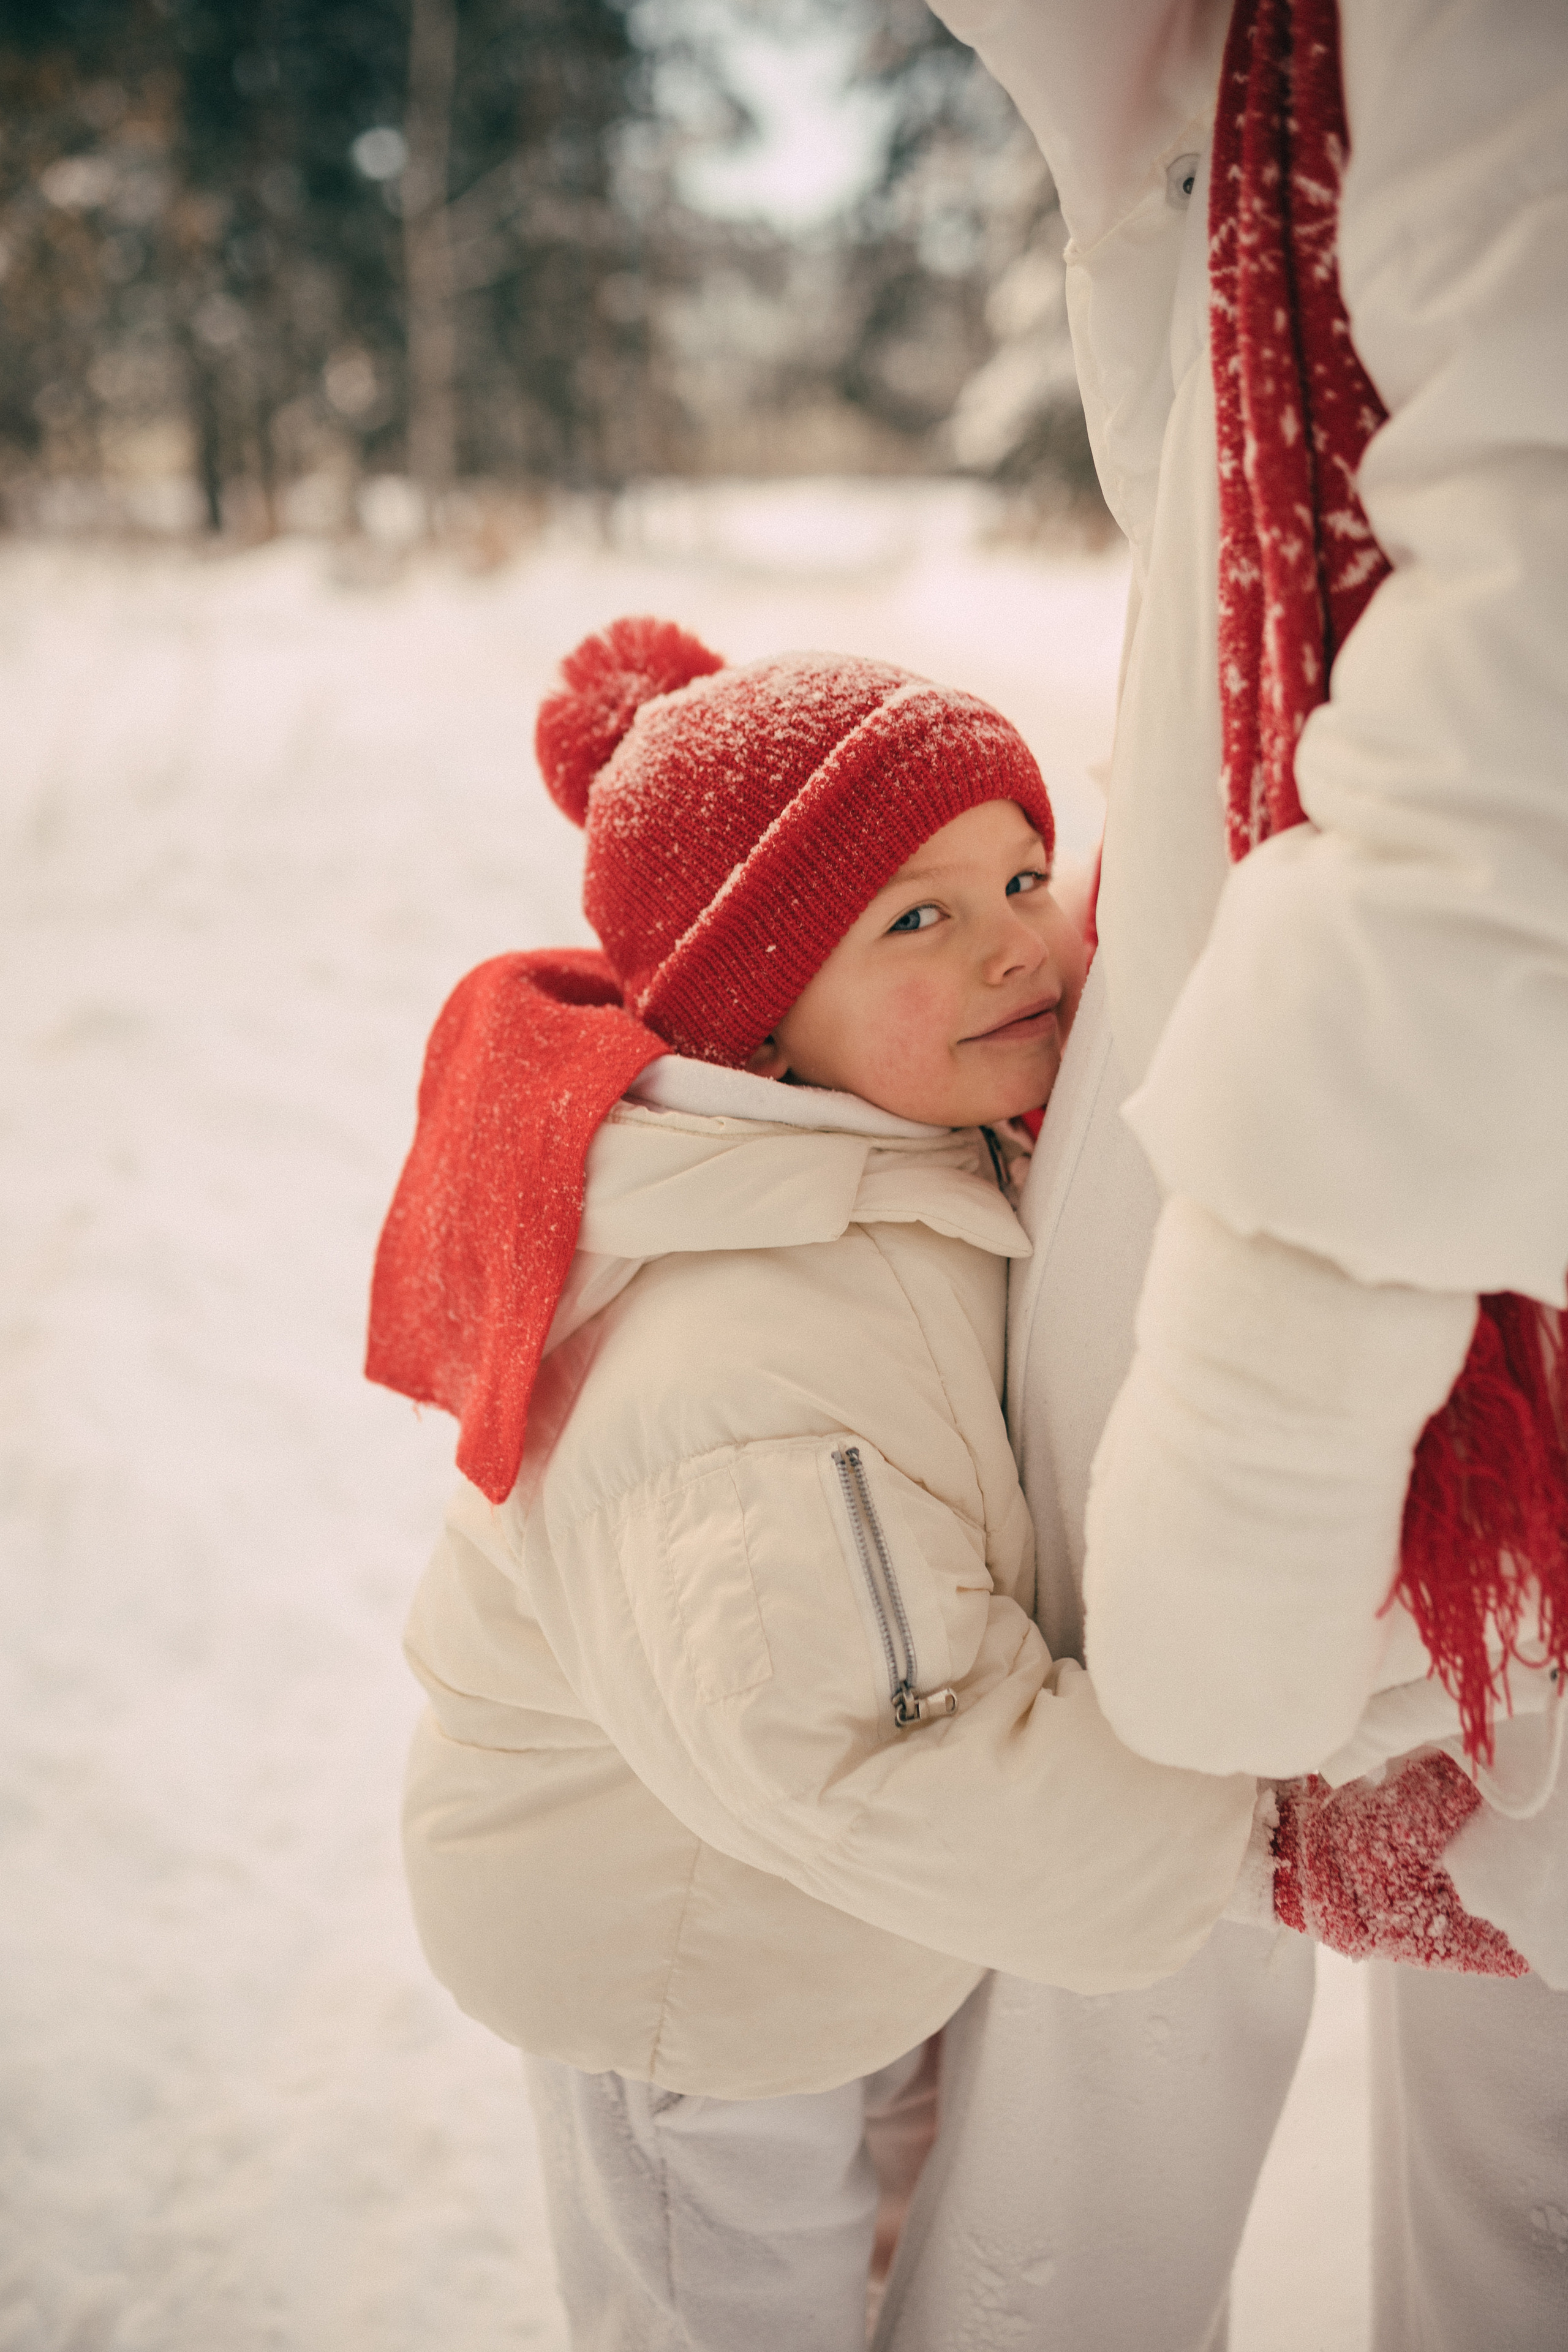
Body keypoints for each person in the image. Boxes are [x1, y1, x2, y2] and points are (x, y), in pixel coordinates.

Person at [366, 617, 1519, 2351]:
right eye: (920, 917)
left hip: (827, 1914)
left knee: (899, 2243)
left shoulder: (882, 1154)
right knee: (726, 2308)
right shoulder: (738, 1364)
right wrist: (1262, 1846)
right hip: (672, 1969)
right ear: (760, 1028)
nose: (1020, 947)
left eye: (1026, 874)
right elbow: (865, 1749)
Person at [873, 4, 1568, 2350]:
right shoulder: (1248, 69)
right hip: (1311, 1100)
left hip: (1409, 1199)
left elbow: (1521, 702)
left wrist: (1261, 1429)